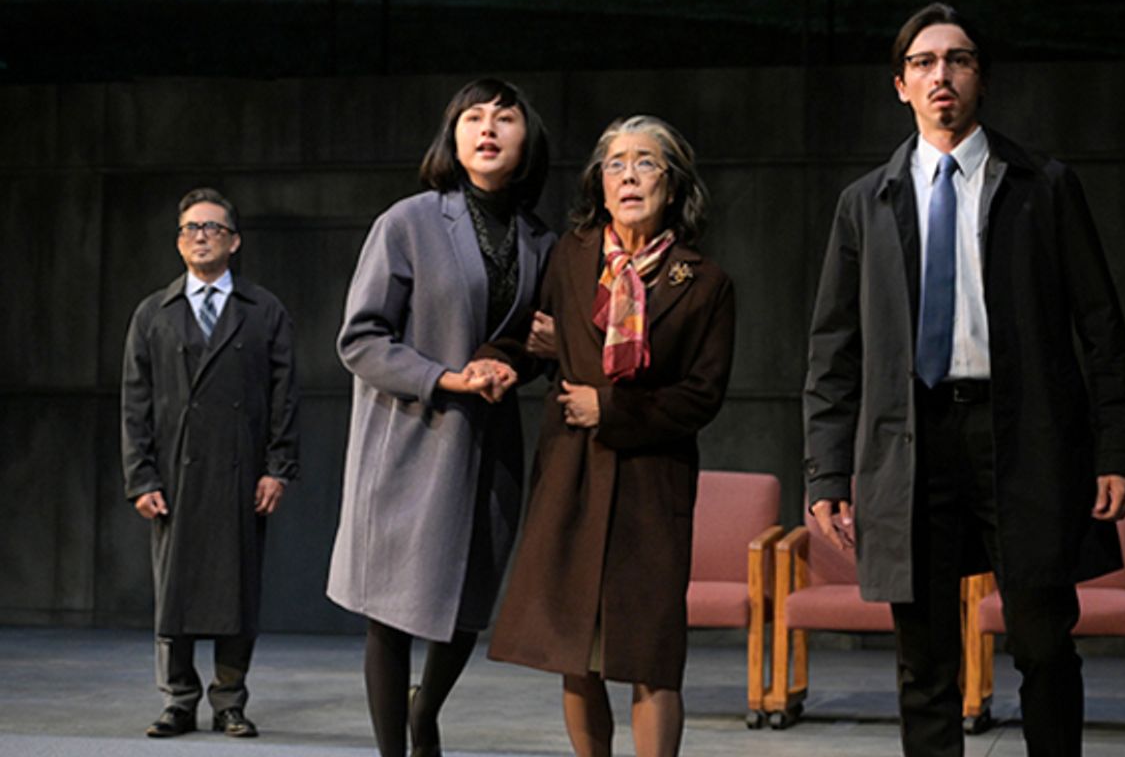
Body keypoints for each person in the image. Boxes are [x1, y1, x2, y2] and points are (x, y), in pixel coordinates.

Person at [803, 2, 1125, 757]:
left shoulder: (1043, 186)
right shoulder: (866, 202)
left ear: (981, 78)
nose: (941, 76)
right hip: (911, 442)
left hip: (1023, 436)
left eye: (957, 60)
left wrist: (1119, 450)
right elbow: (834, 350)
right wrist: (826, 468)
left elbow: (1102, 328)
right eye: (923, 63)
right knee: (924, 659)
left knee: (1043, 643)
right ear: (900, 85)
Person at [487, 115, 736, 757]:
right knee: (576, 651)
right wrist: (496, 360)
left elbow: (702, 395)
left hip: (651, 485)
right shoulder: (569, 257)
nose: (629, 176)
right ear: (599, 184)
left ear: (673, 186)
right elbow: (529, 333)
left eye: (646, 162)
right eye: (616, 164)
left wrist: (612, 408)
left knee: (652, 656)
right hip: (572, 475)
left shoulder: (705, 283)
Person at [326, 78, 556, 757]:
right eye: (473, 117)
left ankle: (424, 712)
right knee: (391, 611)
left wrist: (527, 363)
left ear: (527, 140)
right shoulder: (409, 222)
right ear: (452, 138)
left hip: (489, 442)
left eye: (505, 118)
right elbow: (361, 339)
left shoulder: (540, 241)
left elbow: (531, 341)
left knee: (467, 601)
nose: (488, 129)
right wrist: (446, 378)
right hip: (410, 437)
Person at [120, 187, 300, 739]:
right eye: (191, 228)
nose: (201, 236)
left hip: (241, 471)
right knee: (173, 591)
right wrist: (140, 477)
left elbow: (286, 396)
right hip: (175, 473)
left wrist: (278, 468)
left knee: (237, 590)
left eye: (212, 227)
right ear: (179, 242)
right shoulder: (153, 312)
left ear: (234, 241)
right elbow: (134, 402)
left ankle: (229, 700)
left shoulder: (263, 309)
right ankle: (178, 699)